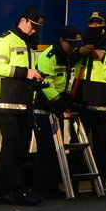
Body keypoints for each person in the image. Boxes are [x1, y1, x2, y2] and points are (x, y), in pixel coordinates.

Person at [0, 7, 45, 206]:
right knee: (13, 147)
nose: (34, 31)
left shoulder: (30, 43)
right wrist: (26, 73)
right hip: (5, 101)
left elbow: (29, 71)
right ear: (23, 20)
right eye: (32, 26)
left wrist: (37, 76)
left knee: (15, 148)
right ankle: (19, 191)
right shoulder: (4, 40)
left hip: (23, 102)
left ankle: (2, 191)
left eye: (38, 28)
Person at [33, 25, 84, 199]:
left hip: (56, 105)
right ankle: (41, 186)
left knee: (57, 148)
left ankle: (52, 184)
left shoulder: (67, 55)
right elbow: (46, 86)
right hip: (43, 106)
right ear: (61, 40)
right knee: (45, 148)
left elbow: (65, 81)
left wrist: (70, 100)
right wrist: (62, 104)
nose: (74, 48)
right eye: (71, 44)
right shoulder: (49, 57)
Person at [74, 11, 106, 180]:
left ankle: (100, 181)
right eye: (92, 23)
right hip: (81, 97)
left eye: (98, 23)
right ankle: (75, 181)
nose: (95, 26)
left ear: (105, 25)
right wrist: (80, 51)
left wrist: (98, 53)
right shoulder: (79, 41)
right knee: (77, 144)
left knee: (101, 145)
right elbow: (68, 56)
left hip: (102, 99)